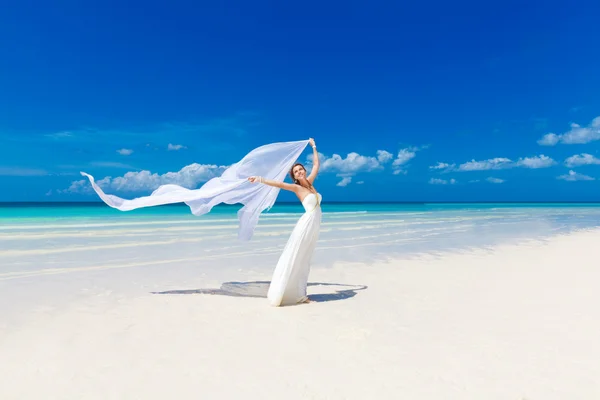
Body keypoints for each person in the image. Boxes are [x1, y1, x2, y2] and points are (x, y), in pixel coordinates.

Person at [248, 137, 321, 306]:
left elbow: (316, 165)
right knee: (298, 257)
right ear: (294, 177)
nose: (300, 172)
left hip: (315, 224)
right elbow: (279, 184)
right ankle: (292, 293)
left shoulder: (310, 184)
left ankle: (300, 293)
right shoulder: (297, 187)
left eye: (301, 169)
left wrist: (313, 146)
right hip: (306, 225)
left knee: (305, 259)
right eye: (296, 172)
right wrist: (260, 179)